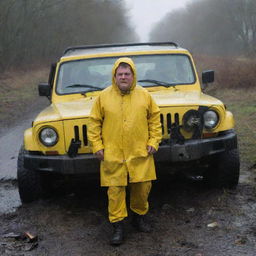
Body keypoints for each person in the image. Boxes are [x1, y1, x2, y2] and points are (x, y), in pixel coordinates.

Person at [88, 57, 162, 246]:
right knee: (115, 191)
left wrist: (154, 140)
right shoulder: (103, 97)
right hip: (112, 154)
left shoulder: (145, 95)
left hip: (140, 152)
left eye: (127, 74)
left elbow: (155, 119)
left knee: (143, 187)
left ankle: (138, 218)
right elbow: (94, 122)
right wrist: (97, 146)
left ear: (133, 75)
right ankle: (118, 226)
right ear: (114, 76)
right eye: (119, 74)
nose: (123, 77)